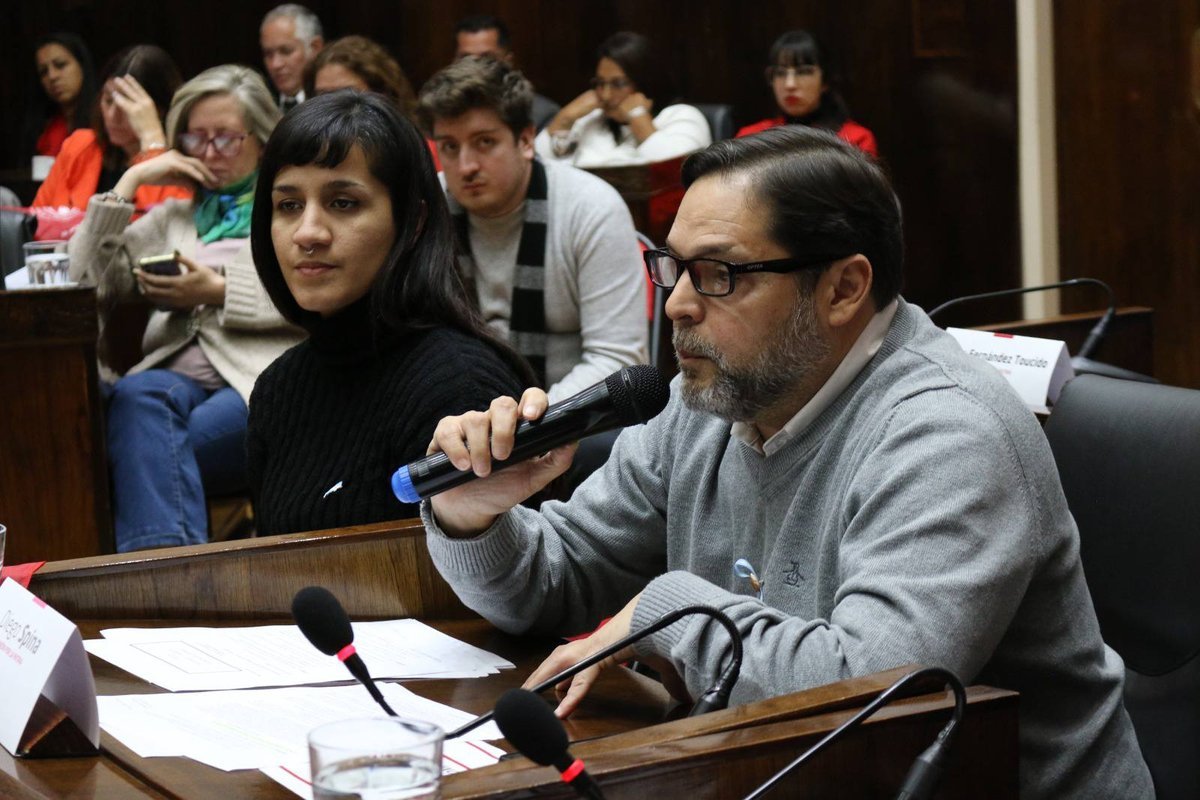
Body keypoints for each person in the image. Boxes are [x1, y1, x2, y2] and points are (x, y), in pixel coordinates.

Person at [419, 127, 1155, 798]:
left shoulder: (949, 431)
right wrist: (473, 517)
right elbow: (558, 581)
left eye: (718, 273)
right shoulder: (708, 401)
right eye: (672, 268)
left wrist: (668, 612)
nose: (676, 305)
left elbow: (872, 692)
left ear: (843, 289)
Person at [245, 90, 531, 536]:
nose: (308, 233)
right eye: (289, 205)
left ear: (412, 223)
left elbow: (508, 574)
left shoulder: (461, 387)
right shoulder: (277, 389)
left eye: (343, 203)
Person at [68, 65, 303, 552]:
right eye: (195, 139)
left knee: (142, 447)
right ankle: (171, 569)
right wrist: (132, 181)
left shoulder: (292, 210)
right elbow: (78, 285)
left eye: (226, 139)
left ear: (262, 141)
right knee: (136, 398)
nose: (209, 153)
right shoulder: (173, 218)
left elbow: (320, 297)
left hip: (260, 384)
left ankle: (155, 565)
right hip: (170, 382)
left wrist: (217, 291)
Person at [418, 56, 646, 401]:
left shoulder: (591, 207)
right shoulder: (427, 211)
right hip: (452, 414)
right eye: (450, 147)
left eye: (484, 142)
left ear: (526, 140)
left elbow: (618, 360)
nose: (465, 167)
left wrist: (527, 423)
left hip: (568, 418)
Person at [33, 45, 190, 212]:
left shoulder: (186, 160)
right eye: (108, 100)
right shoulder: (79, 146)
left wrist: (153, 143)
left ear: (160, 109)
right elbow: (35, 218)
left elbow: (164, 222)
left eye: (127, 105)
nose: (112, 116)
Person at [535, 32, 711, 168]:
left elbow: (672, 171)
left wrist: (638, 116)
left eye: (618, 84)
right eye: (600, 83)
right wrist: (565, 118)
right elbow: (538, 166)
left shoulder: (683, 116)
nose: (605, 95)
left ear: (646, 82)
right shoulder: (594, 119)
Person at [736, 29, 877, 157]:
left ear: (825, 80)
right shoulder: (750, 138)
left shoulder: (855, 140)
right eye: (780, 73)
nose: (790, 84)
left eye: (804, 72)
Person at [453, 14, 559, 131]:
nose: (475, 66)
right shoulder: (439, 110)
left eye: (486, 58)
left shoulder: (541, 114)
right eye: (466, 58)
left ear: (507, 62)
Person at [22, 32, 96, 161]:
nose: (52, 76)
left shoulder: (105, 119)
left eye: (60, 65)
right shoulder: (44, 127)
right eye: (44, 72)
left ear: (82, 66)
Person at [260, 3, 324, 111]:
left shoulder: (333, 104)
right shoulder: (260, 108)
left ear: (315, 47)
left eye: (286, 51)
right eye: (268, 54)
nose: (275, 64)